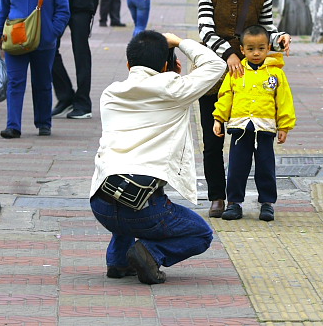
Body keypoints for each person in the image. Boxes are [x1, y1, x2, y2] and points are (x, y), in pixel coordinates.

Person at [89, 30, 226, 284]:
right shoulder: (174, 89)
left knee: (124, 185)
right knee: (201, 234)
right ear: (166, 65)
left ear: (129, 64)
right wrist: (179, 42)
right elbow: (216, 64)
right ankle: (151, 253)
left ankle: (118, 262)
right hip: (144, 210)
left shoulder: (110, 94)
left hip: (101, 204)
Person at [198, 0, 291, 218]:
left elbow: (266, 31)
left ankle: (252, 199)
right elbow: (204, 30)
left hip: (252, 80)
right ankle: (217, 196)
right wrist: (229, 54)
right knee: (212, 140)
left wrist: (280, 39)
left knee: (251, 142)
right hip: (214, 75)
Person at [213, 24, 296, 222]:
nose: (256, 53)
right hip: (240, 128)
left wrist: (284, 126)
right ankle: (234, 203)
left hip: (265, 129)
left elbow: (284, 100)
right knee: (236, 167)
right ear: (242, 50)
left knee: (266, 167)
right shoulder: (237, 71)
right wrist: (218, 119)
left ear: (268, 48)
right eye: (250, 49)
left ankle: (267, 203)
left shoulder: (276, 74)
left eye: (261, 48)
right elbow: (226, 96)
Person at [0, 0, 70, 138]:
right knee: (15, 82)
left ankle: (44, 123)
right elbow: (3, 8)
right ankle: (13, 126)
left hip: (44, 42)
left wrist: (53, 32)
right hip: (15, 40)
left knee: (42, 82)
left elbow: (63, 10)